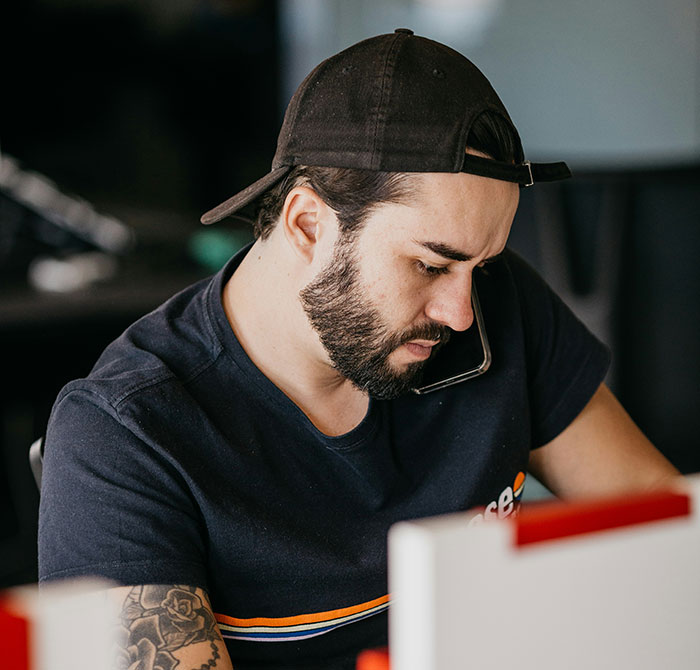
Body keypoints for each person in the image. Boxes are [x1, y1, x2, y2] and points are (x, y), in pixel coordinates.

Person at [38, 29, 679, 670]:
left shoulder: (498, 304)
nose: (461, 314)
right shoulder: (127, 435)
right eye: (430, 266)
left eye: (480, 267)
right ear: (308, 224)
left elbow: (664, 533)